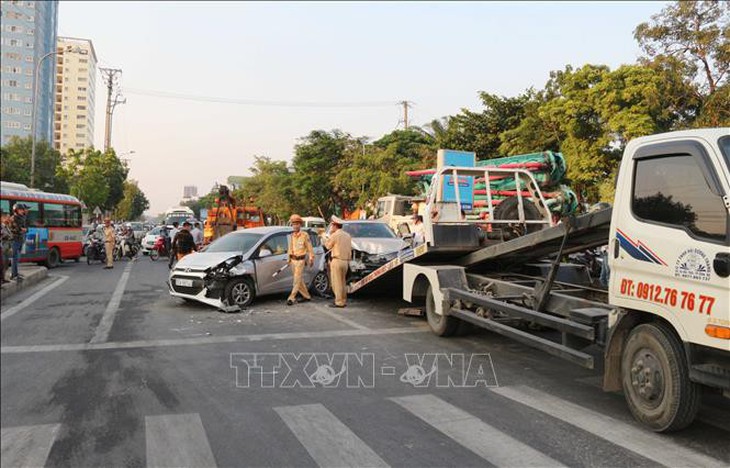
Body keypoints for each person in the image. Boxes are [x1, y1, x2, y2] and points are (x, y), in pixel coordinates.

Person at [286, 214, 315, 306]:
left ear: (300, 225)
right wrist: (288, 259)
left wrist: (311, 258)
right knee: (299, 280)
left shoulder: (304, 235)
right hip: (293, 261)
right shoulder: (292, 236)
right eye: (293, 224)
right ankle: (306, 296)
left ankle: (291, 297)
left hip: (300, 261)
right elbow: (290, 248)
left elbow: (310, 248)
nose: (295, 226)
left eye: (297, 224)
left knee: (296, 280)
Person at [324, 216, 351, 308]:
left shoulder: (335, 235)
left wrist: (328, 236)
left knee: (337, 282)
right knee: (343, 282)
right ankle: (343, 300)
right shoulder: (347, 235)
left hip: (337, 260)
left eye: (332, 225)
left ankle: (339, 301)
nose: (331, 227)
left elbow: (327, 246)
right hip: (345, 261)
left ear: (335, 225)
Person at [8, 203, 28, 280]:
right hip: (15, 239)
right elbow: (17, 229)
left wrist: (24, 229)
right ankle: (13, 274)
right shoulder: (14, 218)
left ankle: (16, 273)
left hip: (20, 239)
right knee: (14, 257)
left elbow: (26, 228)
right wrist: (22, 229)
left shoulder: (22, 217)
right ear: (16, 210)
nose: (21, 211)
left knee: (17, 257)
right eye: (20, 209)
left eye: (22, 209)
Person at [1, 210, 12, 283]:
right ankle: (2, 278)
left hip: (7, 246)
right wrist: (7, 236)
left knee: (6, 263)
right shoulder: (2, 226)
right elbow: (3, 235)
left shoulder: (7, 226)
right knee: (3, 263)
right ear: (3, 218)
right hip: (3, 246)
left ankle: (3, 278)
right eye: (7, 218)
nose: (9, 219)